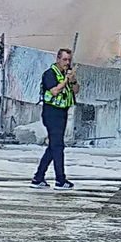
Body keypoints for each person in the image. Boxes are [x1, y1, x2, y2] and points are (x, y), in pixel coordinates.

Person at [31, 48, 80, 189]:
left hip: (62, 113)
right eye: (64, 59)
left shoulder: (67, 74)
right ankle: (60, 180)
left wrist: (73, 80)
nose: (67, 63)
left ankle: (38, 177)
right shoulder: (50, 74)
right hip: (51, 113)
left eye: (69, 60)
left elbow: (76, 90)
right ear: (58, 59)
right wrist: (66, 80)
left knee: (54, 146)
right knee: (58, 146)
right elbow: (54, 91)